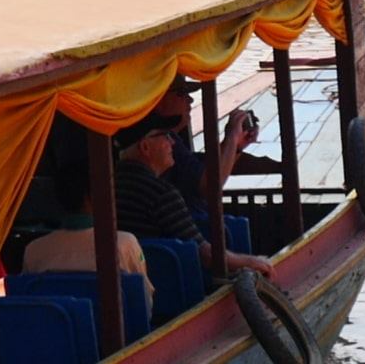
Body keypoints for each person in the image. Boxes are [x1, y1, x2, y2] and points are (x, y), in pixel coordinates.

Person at [113, 113, 273, 279]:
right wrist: (254, 262)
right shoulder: (161, 194)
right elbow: (207, 255)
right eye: (166, 136)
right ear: (145, 147)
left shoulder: (107, 189)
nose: (172, 143)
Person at [21, 162, 153, 306]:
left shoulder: (33, 251)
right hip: (120, 328)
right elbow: (145, 302)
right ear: (92, 197)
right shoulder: (124, 243)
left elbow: (30, 305)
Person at [153, 81, 273, 230]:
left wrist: (236, 145)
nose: (190, 100)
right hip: (191, 230)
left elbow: (208, 168)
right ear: (156, 100)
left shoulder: (173, 141)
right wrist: (232, 138)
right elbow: (210, 184)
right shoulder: (163, 143)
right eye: (181, 93)